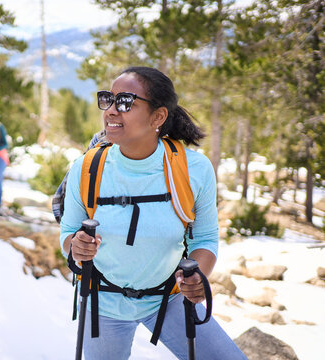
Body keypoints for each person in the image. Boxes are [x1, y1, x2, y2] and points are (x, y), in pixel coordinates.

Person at [59, 67, 246, 360]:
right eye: (108, 99)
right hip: (102, 301)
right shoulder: (86, 168)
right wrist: (76, 247)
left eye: (125, 102)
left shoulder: (192, 170)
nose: (110, 111)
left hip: (170, 297)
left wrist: (197, 276)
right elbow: (67, 233)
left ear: (157, 117)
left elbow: (205, 238)